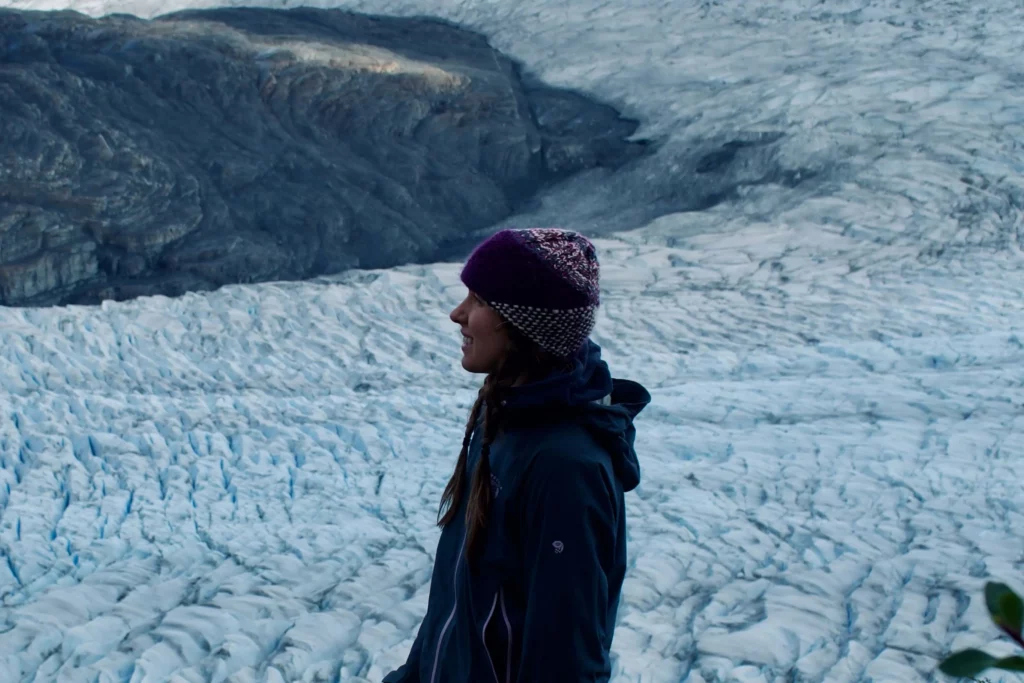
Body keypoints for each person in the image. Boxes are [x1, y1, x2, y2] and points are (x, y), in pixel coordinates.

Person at [383, 228, 650, 683]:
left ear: (526, 327)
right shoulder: (502, 419)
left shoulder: (565, 468)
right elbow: (458, 609)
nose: (458, 314)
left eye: (480, 300)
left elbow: (567, 664)